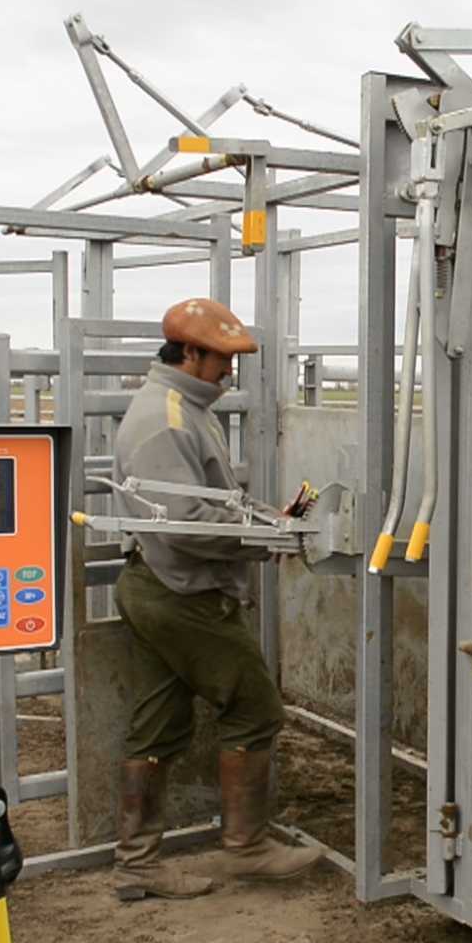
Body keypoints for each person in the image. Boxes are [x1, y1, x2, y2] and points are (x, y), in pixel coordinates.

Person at [109, 296, 320, 901]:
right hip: (182, 592)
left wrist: (265, 522)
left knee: (159, 721)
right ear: (190, 352)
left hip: (160, 585)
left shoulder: (183, 408)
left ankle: (138, 862)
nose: (230, 372)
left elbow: (208, 505)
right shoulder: (167, 418)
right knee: (255, 707)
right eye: (222, 359)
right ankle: (246, 848)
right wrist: (266, 540)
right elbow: (187, 524)